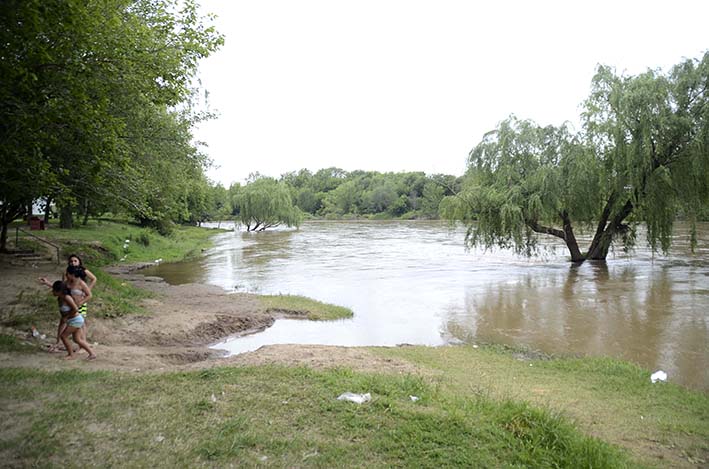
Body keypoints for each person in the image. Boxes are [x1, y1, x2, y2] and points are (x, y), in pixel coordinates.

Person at [49, 280, 96, 360]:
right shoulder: (61, 297)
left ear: (59, 291)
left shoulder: (67, 298)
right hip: (72, 320)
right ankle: (92, 354)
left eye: (54, 290)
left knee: (63, 336)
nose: (52, 292)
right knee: (77, 339)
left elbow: (75, 308)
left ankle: (71, 354)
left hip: (75, 320)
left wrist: (67, 316)